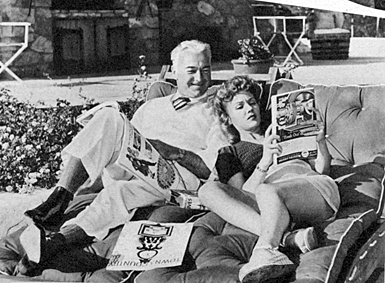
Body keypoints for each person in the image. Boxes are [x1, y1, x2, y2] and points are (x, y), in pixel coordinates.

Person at [18, 39, 229, 274]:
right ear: (175, 71)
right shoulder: (152, 107)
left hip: (176, 179)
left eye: (205, 70)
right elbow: (126, 139)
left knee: (117, 193)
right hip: (135, 166)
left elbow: (212, 170)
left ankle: (54, 244)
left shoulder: (219, 112)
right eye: (191, 71)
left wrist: (175, 152)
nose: (199, 78)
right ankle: (58, 200)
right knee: (110, 116)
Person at [198, 76, 340, 283]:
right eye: (239, 106)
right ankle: (288, 238)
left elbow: (322, 170)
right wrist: (264, 162)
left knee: (267, 190)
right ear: (227, 118)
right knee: (207, 191)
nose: (249, 109)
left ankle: (267, 250)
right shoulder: (229, 153)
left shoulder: (282, 131)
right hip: (269, 202)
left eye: (252, 103)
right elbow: (242, 195)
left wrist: (320, 142)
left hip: (310, 189)